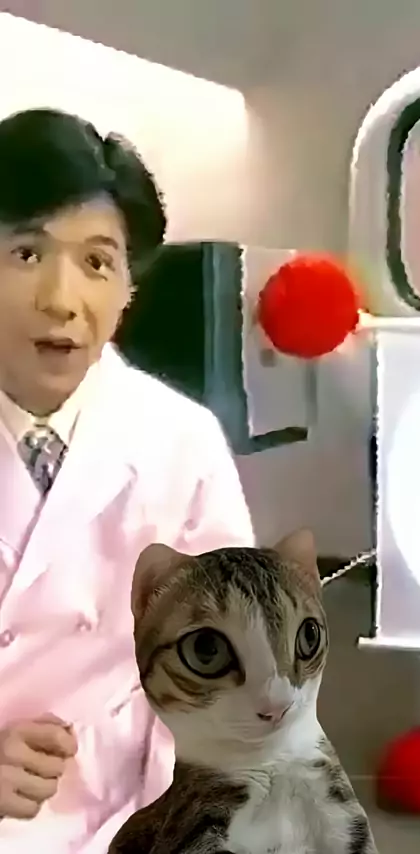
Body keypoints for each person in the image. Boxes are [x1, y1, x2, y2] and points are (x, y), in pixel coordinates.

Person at [0, 108, 255, 853]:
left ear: (128, 290)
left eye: (97, 262)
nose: (61, 299)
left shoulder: (181, 442)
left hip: (117, 813)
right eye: (26, 253)